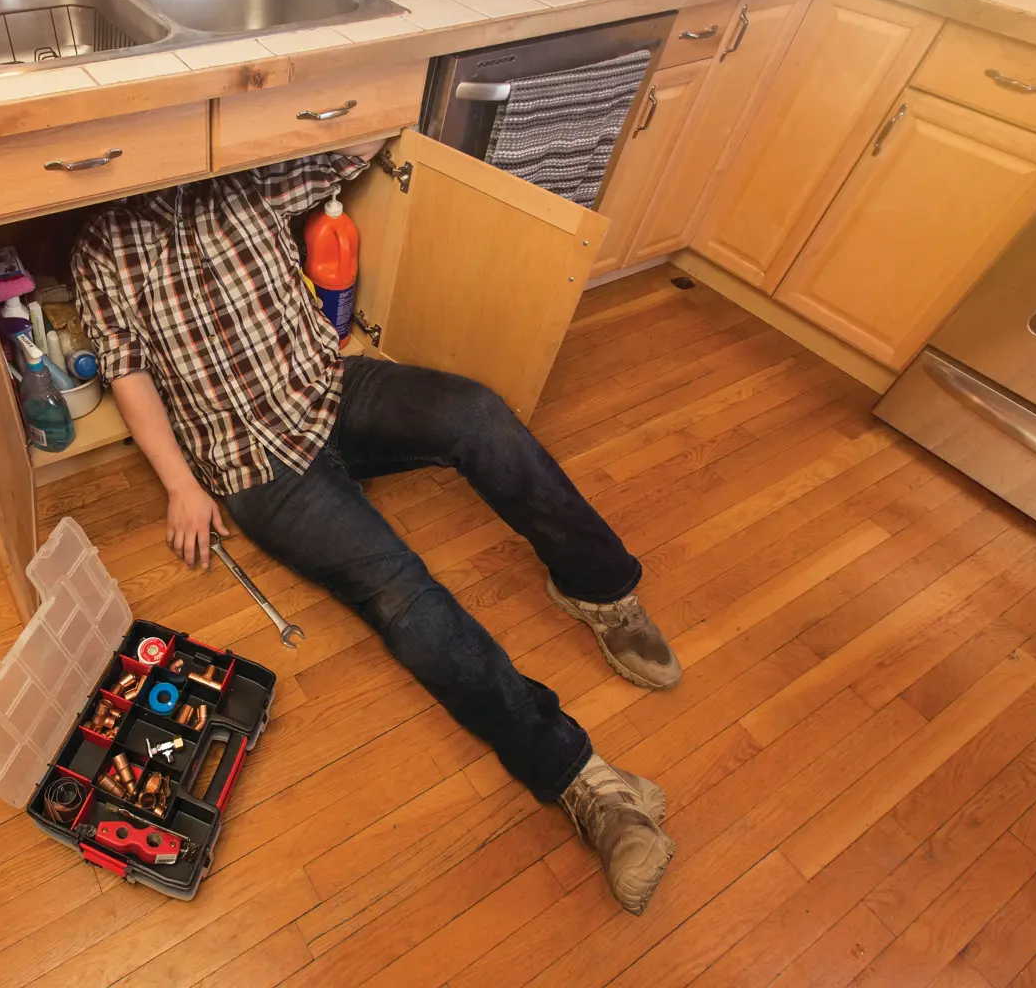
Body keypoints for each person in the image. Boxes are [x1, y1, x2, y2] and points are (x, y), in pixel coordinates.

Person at [70, 146, 680, 915]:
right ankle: (586, 783)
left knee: (476, 415)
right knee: (400, 591)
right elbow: (126, 370)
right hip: (253, 463)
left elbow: (352, 141)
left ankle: (600, 590)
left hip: (328, 392)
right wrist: (180, 486)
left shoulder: (242, 178)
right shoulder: (103, 246)